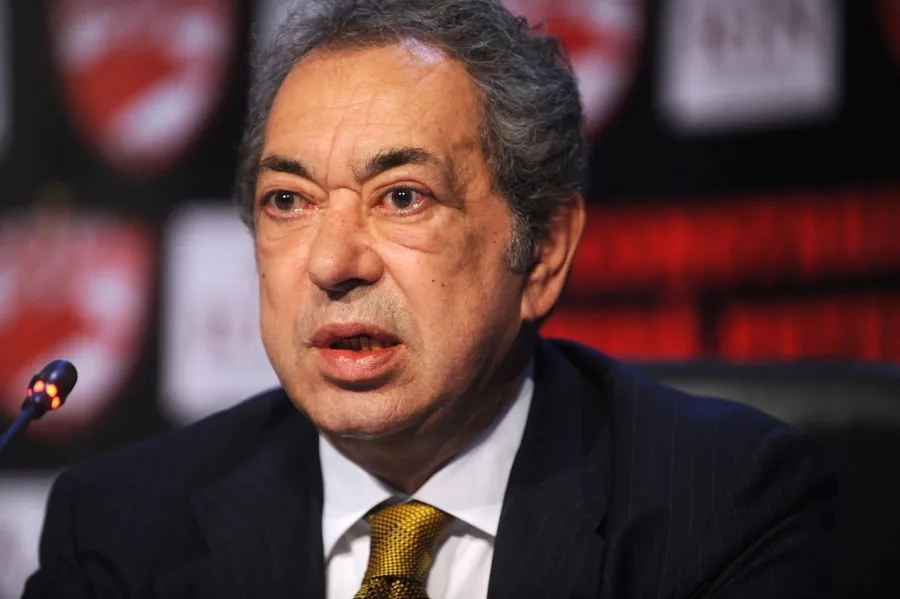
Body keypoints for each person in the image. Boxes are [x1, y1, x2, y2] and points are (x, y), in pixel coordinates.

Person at [22, 0, 836, 597]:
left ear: (544, 250)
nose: (333, 262)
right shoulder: (122, 530)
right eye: (288, 201)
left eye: (403, 197)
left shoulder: (720, 504)